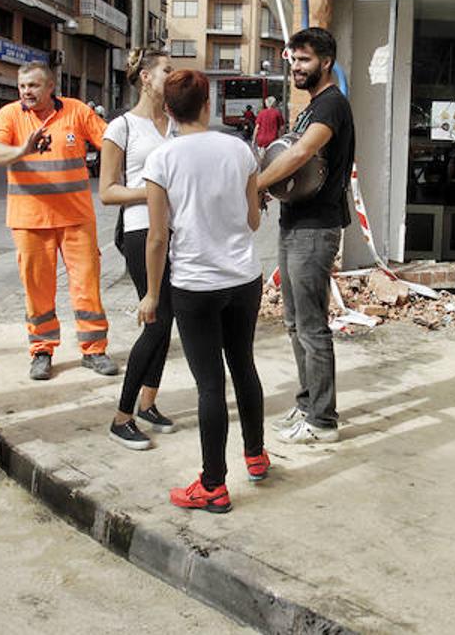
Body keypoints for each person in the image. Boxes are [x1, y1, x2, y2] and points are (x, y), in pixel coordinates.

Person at [139, 70, 268, 513]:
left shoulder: (162, 159)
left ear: (168, 110)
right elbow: (253, 220)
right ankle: (256, 456)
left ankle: (213, 484)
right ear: (208, 105)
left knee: (210, 386)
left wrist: (152, 295)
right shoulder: (239, 149)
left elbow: (158, 237)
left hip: (195, 284)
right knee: (244, 367)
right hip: (244, 279)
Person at [255, 27, 355, 445]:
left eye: (304, 60)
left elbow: (298, 154)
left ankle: (323, 420)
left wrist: (256, 185)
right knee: (295, 323)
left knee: (312, 327)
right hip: (295, 221)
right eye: (293, 60)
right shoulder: (312, 105)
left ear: (325, 62)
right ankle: (308, 401)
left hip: (316, 227)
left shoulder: (331, 105)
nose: (296, 67)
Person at [0, 61, 117, 380]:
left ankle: (94, 350)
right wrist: (22, 149)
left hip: (76, 218)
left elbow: (111, 143)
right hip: (29, 220)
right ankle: (42, 351)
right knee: (37, 288)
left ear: (50, 87)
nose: (26, 92)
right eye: (22, 86)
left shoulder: (76, 112)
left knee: (87, 284)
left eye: (33, 86)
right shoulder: (10, 116)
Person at [99, 48, 178, 450]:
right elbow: (107, 191)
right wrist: (152, 195)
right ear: (145, 77)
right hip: (141, 232)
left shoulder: (177, 124)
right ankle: (121, 417)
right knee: (156, 320)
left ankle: (148, 403)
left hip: (176, 232)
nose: (173, 75)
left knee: (168, 320)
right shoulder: (122, 127)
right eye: (167, 69)